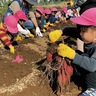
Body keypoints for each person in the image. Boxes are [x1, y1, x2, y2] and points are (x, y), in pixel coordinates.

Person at [49, 8, 96, 96]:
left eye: (83, 31)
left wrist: (73, 55)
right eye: (80, 30)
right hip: (87, 79)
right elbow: (69, 30)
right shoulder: (88, 36)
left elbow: (92, 65)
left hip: (94, 87)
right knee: (81, 56)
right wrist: (60, 31)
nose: (80, 34)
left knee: (80, 57)